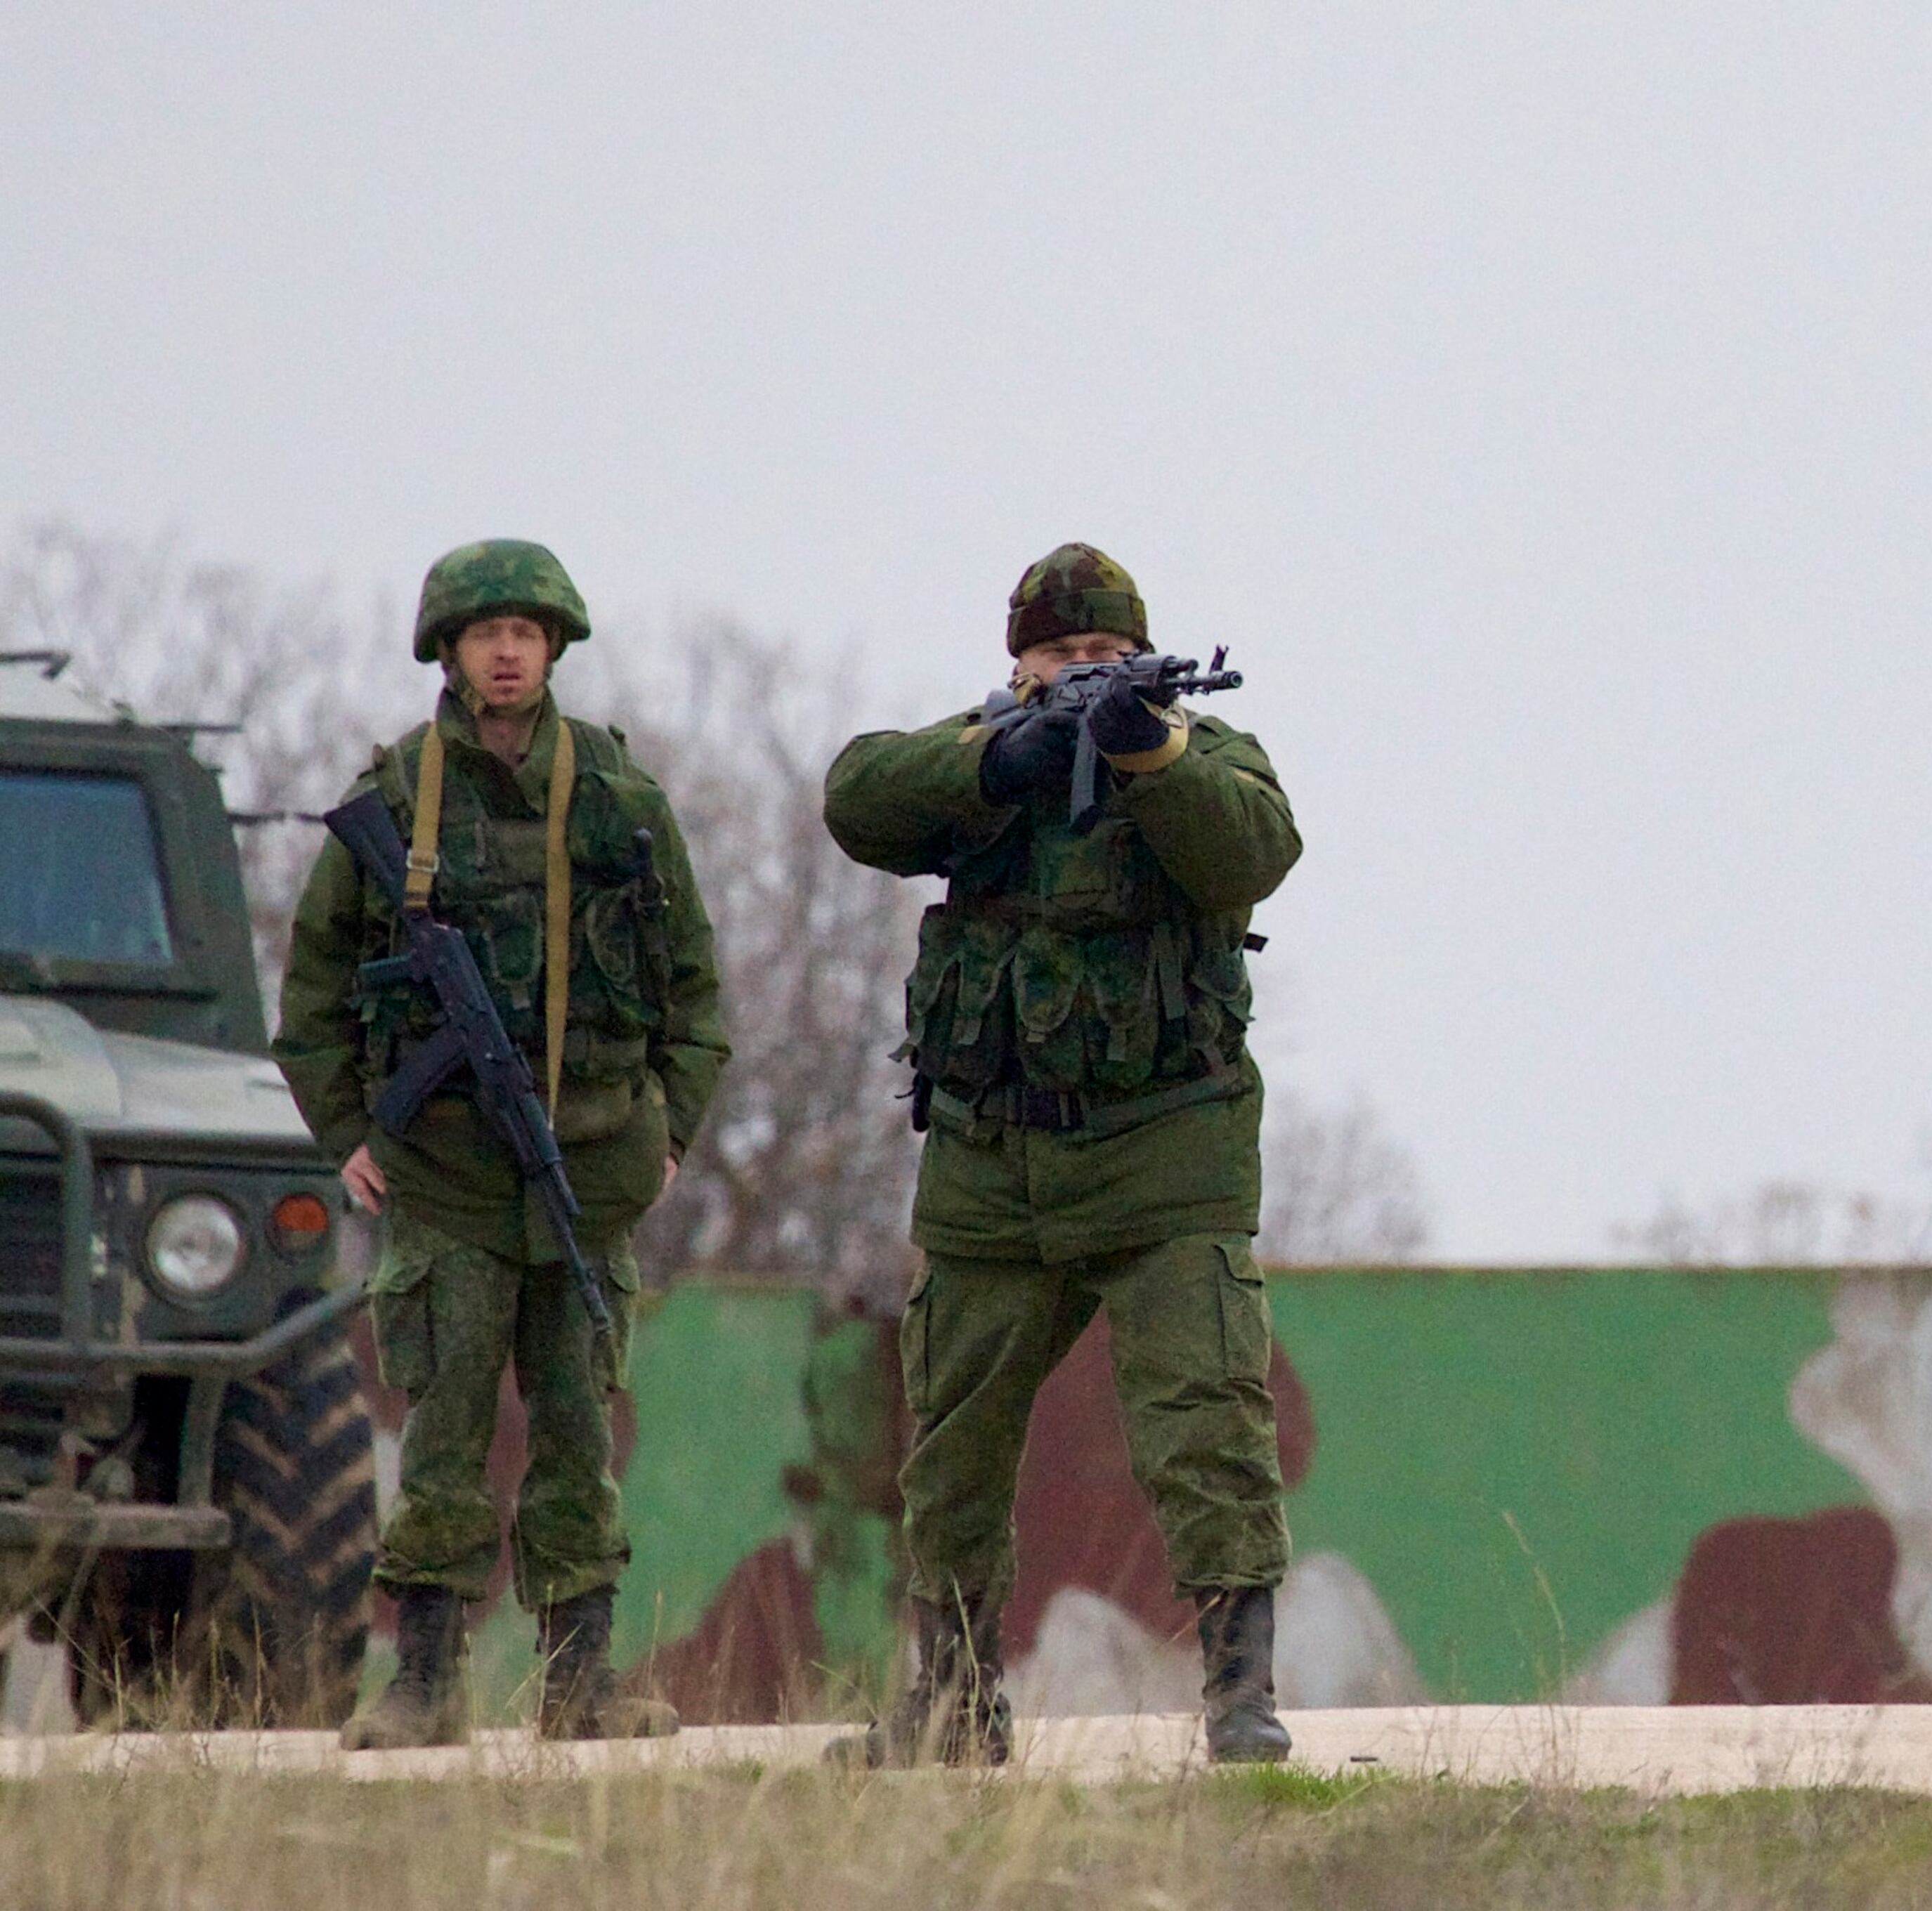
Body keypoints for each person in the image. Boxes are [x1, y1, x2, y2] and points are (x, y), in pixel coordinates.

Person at [821, 543, 1301, 1766]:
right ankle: (951, 1706)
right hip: (993, 1169)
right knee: (952, 1450)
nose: (1084, 668)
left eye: (1106, 653)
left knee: (1206, 1426)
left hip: (1166, 1161)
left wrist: (1149, 756)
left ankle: (1240, 1699)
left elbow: (1254, 851)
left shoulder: (1204, 756)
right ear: (1020, 664)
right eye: (1060, 654)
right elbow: (858, 798)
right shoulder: (979, 753)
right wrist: (1003, 760)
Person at [276, 539, 729, 1748]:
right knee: (443, 1437)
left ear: (556, 646)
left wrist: (670, 1133)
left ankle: (580, 1683)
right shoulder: (395, 798)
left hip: (588, 1170)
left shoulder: (620, 798)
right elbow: (314, 993)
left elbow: (694, 991)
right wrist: (346, 1131)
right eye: (487, 634)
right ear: (450, 651)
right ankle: (424, 1683)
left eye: (527, 633)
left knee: (579, 1432)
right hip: (448, 1178)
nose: (509, 653)